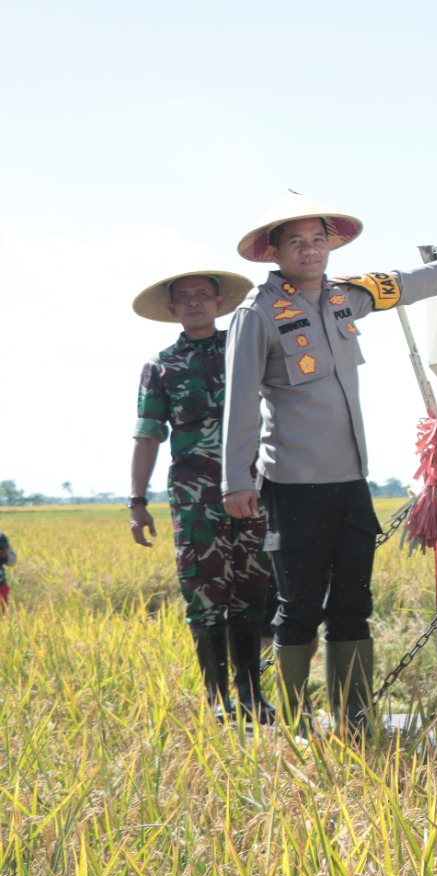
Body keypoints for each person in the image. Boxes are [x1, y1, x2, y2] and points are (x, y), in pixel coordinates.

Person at [222, 191, 437, 733]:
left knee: (353, 604)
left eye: (318, 240)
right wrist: (235, 479)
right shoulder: (258, 314)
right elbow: (240, 400)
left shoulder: (346, 298)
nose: (310, 250)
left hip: (350, 482)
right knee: (298, 607)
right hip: (294, 483)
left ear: (330, 245)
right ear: (275, 251)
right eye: (295, 241)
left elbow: (403, 283)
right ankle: (297, 725)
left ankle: (354, 717)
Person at [131, 270, 275, 721]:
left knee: (251, 586)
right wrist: (137, 503)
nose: (195, 302)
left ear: (219, 303)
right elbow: (148, 435)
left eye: (203, 295)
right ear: (173, 309)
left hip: (254, 489)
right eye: (185, 297)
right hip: (194, 501)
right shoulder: (161, 366)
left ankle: (252, 695)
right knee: (205, 591)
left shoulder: (245, 352)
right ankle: (217, 699)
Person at [0, 516, 14, 613]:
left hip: (1, 584)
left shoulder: (1, 537)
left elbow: (12, 561)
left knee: (3, 617)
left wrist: (5, 556)